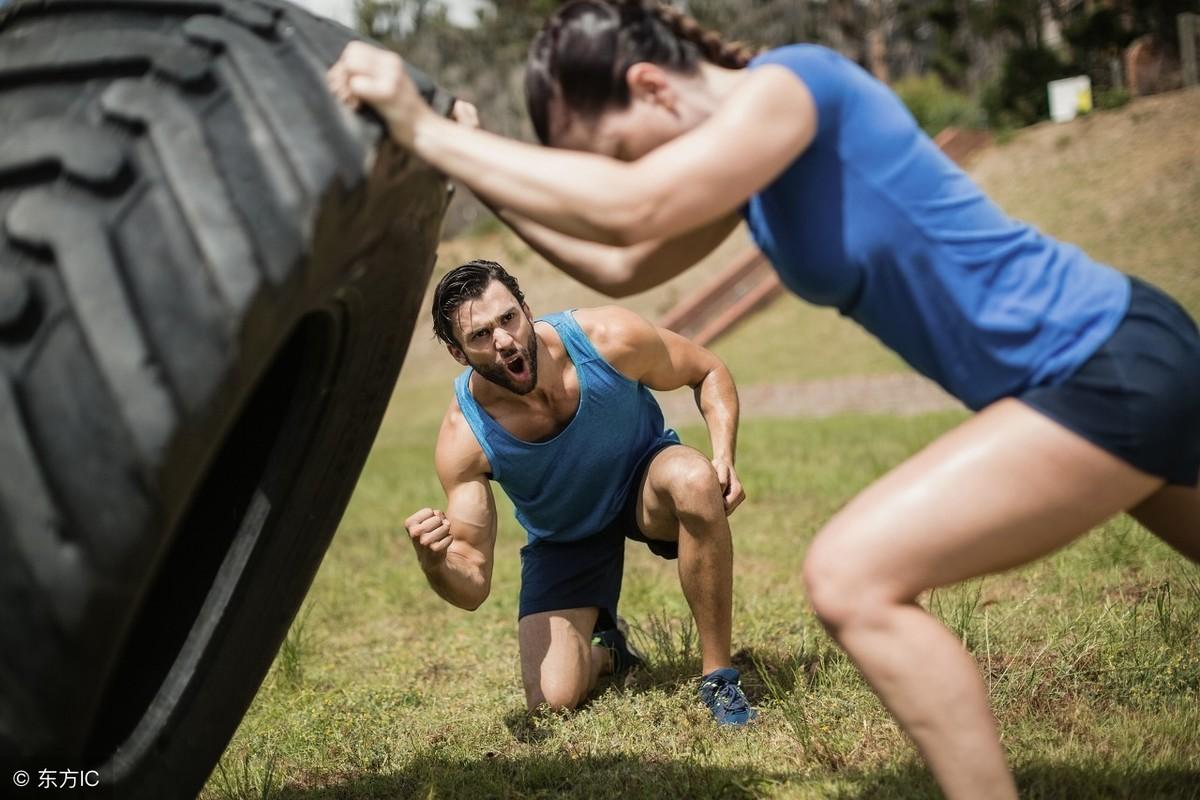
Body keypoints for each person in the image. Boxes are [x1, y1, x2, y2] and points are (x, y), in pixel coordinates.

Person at [328, 2, 1200, 796]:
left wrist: (428, 130)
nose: (628, 171)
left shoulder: (795, 86)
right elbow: (620, 260)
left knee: (851, 579)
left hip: (1096, 359)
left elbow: (635, 208)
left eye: (620, 149)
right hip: (1106, 368)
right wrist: (478, 175)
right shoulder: (760, 187)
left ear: (650, 86)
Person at [404, 259, 756, 725]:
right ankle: (608, 652)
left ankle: (719, 678)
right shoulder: (465, 436)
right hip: (565, 534)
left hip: (643, 484)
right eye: (480, 336)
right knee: (553, 702)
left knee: (694, 480)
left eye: (508, 319)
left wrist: (723, 455)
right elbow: (472, 585)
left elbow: (707, 370)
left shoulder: (606, 337)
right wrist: (435, 562)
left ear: (526, 309)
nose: (504, 341)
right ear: (457, 352)